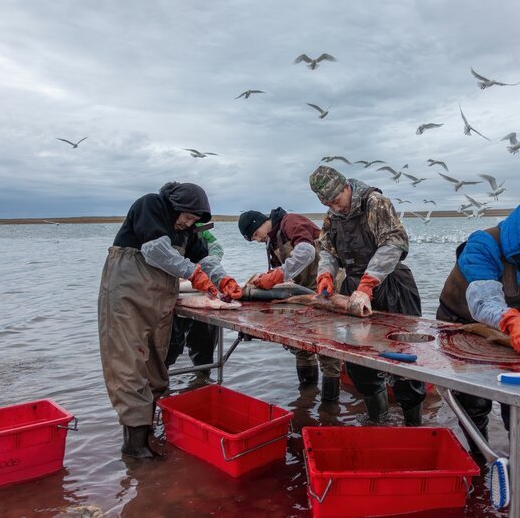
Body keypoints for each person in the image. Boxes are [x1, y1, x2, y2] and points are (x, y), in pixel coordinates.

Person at [97, 182, 243, 459]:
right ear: (175, 206)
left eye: (194, 220)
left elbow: (205, 258)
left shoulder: (186, 231)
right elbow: (155, 250)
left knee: (155, 364)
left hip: (157, 301)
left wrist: (222, 278)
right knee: (128, 364)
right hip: (126, 298)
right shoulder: (151, 205)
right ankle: (135, 446)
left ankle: (147, 433)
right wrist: (194, 274)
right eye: (187, 217)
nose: (189, 223)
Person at [436, 195, 520, 467]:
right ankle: (479, 460)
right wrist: (515, 322)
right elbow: (484, 303)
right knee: (473, 401)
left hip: (515, 333)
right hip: (463, 324)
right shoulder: (482, 246)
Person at [309, 165, 426, 426]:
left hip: (393, 286)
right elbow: (327, 249)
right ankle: (379, 421)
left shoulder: (376, 203)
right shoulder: (332, 217)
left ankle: (414, 426)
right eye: (329, 204)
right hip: (353, 290)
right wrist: (325, 274)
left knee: (406, 361)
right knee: (360, 362)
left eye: (337, 200)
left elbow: (394, 243)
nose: (335, 208)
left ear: (346, 187)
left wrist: (368, 284)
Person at [238, 207, 343, 402]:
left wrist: (277, 275)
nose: (257, 239)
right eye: (252, 239)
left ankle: (330, 405)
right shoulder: (272, 241)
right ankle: (307, 396)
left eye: (254, 234)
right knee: (301, 345)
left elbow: (307, 252)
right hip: (299, 293)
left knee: (327, 346)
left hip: (325, 285)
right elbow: (283, 271)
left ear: (260, 222)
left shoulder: (290, 222)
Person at [166, 223, 224, 377]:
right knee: (169, 345)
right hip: (172, 292)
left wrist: (209, 269)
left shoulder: (200, 230)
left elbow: (216, 248)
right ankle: (160, 383)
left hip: (202, 290)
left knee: (203, 343)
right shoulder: (165, 228)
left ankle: (202, 378)